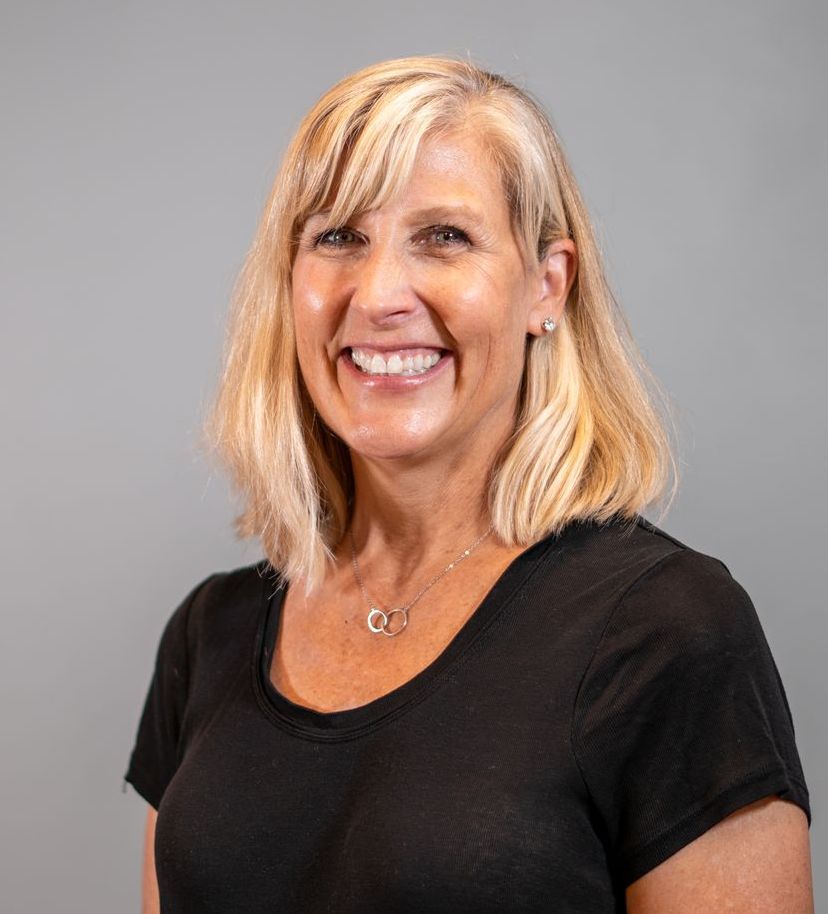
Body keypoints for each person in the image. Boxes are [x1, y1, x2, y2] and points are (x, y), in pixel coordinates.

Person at [124, 56, 813, 913]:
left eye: (444, 237)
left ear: (546, 285)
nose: (377, 295)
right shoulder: (210, 636)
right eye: (338, 236)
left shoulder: (665, 631)